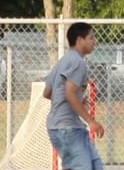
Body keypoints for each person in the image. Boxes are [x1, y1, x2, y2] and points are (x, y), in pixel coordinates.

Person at [42, 22, 104, 170]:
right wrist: (91, 121)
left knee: (95, 165)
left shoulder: (62, 62)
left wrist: (78, 99)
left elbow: (48, 92)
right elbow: (69, 94)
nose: (94, 41)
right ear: (79, 40)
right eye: (91, 37)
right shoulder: (77, 62)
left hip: (63, 127)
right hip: (67, 128)